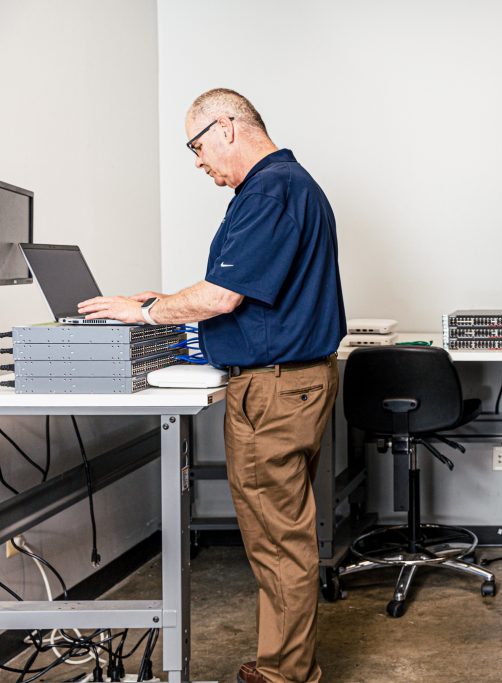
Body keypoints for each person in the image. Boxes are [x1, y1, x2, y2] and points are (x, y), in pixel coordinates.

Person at [79, 88, 345, 683]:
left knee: (278, 541)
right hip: (295, 384)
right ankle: (286, 664)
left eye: (198, 148)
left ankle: (284, 674)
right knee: (286, 534)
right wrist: (164, 303)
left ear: (226, 127)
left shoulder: (270, 190)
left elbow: (222, 295)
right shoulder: (287, 186)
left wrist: (146, 314)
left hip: (274, 390)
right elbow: (242, 295)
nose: (200, 163)